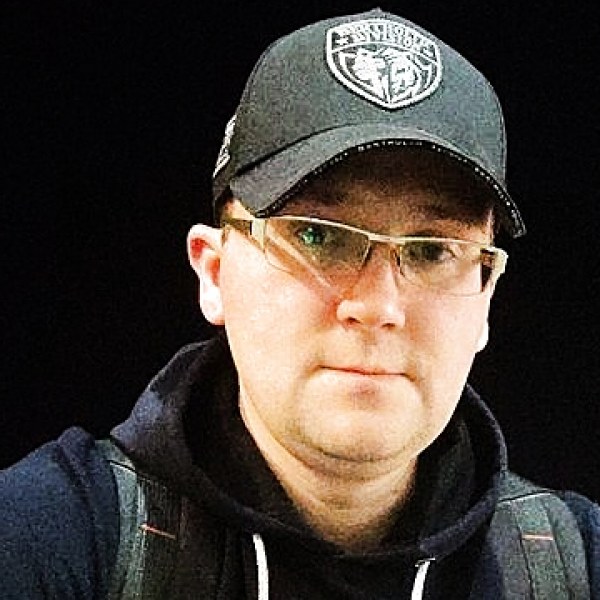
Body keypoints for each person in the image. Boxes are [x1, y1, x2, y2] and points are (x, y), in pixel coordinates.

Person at [1, 7, 598, 599]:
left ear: (486, 298)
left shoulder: (578, 566)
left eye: (431, 251)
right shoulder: (48, 539)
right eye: (318, 236)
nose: (377, 305)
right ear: (214, 273)